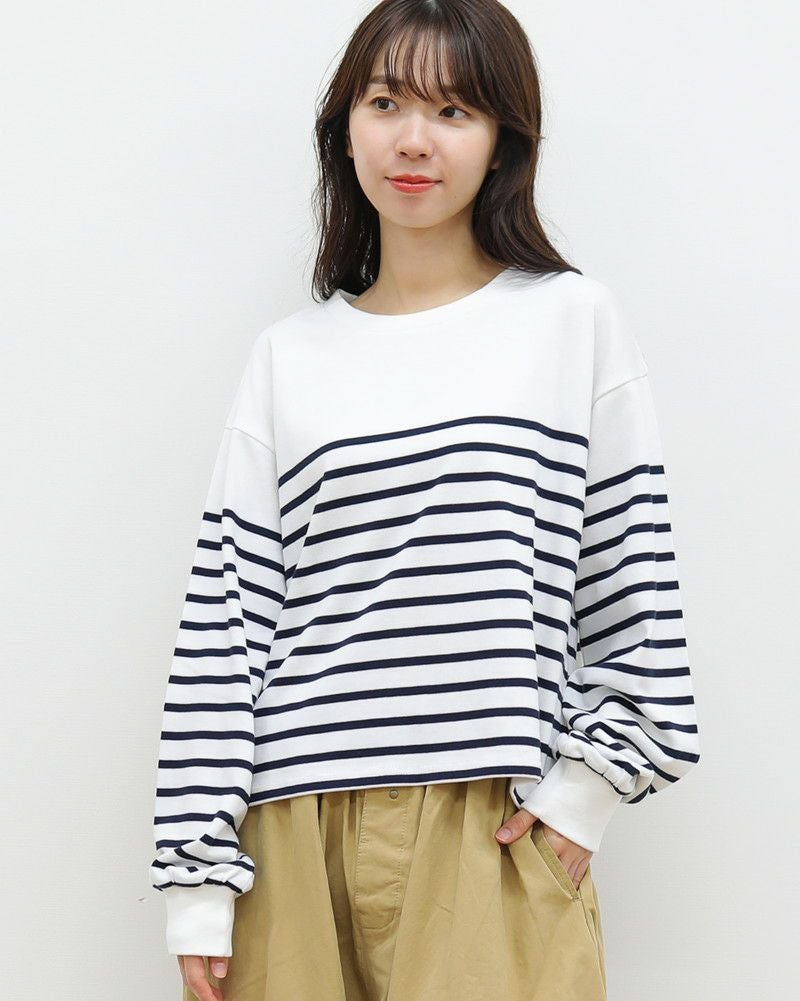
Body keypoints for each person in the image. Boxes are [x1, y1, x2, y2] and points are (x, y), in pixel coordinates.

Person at [149, 2, 701, 999]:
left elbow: (632, 589)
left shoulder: (570, 321)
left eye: (453, 110)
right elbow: (226, 625)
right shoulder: (288, 358)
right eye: (385, 102)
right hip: (292, 828)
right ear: (344, 128)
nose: (413, 139)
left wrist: (583, 796)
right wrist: (197, 874)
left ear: (502, 140)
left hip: (491, 828)